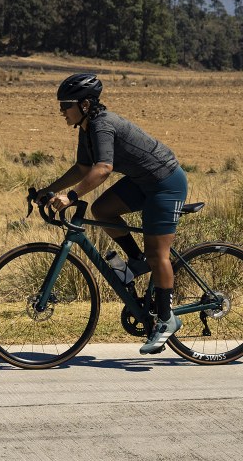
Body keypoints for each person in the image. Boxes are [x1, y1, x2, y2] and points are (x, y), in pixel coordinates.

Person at [37, 72, 188, 354]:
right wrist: (49, 189)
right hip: (143, 181)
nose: (61, 111)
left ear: (83, 105)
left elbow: (103, 168)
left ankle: (167, 320)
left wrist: (70, 196)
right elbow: (83, 168)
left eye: (65, 105)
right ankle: (136, 260)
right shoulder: (86, 127)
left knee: (159, 254)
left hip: (166, 183)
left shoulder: (102, 125)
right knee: (102, 209)